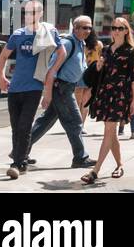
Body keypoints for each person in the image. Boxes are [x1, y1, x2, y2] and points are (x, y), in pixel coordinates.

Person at [0, 1, 63, 179]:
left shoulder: (49, 32)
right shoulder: (18, 34)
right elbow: (3, 56)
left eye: (33, 12)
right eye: (26, 12)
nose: (29, 15)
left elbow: (61, 52)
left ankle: (17, 163)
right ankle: (23, 159)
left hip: (34, 87)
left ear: (41, 13)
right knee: (15, 127)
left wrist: (51, 72)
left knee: (25, 126)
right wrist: (2, 77)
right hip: (15, 88)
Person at [27, 15, 96, 169]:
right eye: (85, 27)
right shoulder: (68, 43)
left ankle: (20, 150)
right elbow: (52, 69)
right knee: (75, 121)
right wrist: (48, 92)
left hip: (66, 87)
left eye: (90, 27)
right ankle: (80, 157)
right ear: (76, 28)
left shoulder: (79, 43)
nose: (88, 30)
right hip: (62, 88)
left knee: (45, 121)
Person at [81, 17, 134, 184]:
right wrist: (99, 66)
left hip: (121, 94)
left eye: (120, 28)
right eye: (114, 28)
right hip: (105, 92)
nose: (116, 31)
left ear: (126, 31)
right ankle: (120, 164)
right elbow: (100, 72)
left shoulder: (132, 51)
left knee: (109, 129)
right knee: (111, 131)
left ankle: (95, 170)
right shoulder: (106, 49)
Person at [75, 32, 103, 131]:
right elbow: (100, 60)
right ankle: (81, 125)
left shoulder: (79, 43)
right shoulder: (98, 44)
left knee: (77, 102)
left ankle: (77, 125)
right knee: (86, 102)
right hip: (92, 74)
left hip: (80, 73)